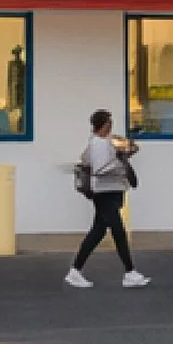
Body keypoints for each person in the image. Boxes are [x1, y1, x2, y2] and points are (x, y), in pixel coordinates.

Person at [66, 109, 150, 289]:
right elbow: (100, 168)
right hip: (105, 192)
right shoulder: (100, 144)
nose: (110, 127)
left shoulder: (97, 143)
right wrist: (121, 163)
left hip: (107, 192)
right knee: (118, 231)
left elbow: (86, 160)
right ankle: (130, 272)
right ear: (104, 125)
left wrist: (122, 155)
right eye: (109, 124)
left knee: (98, 232)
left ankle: (75, 270)